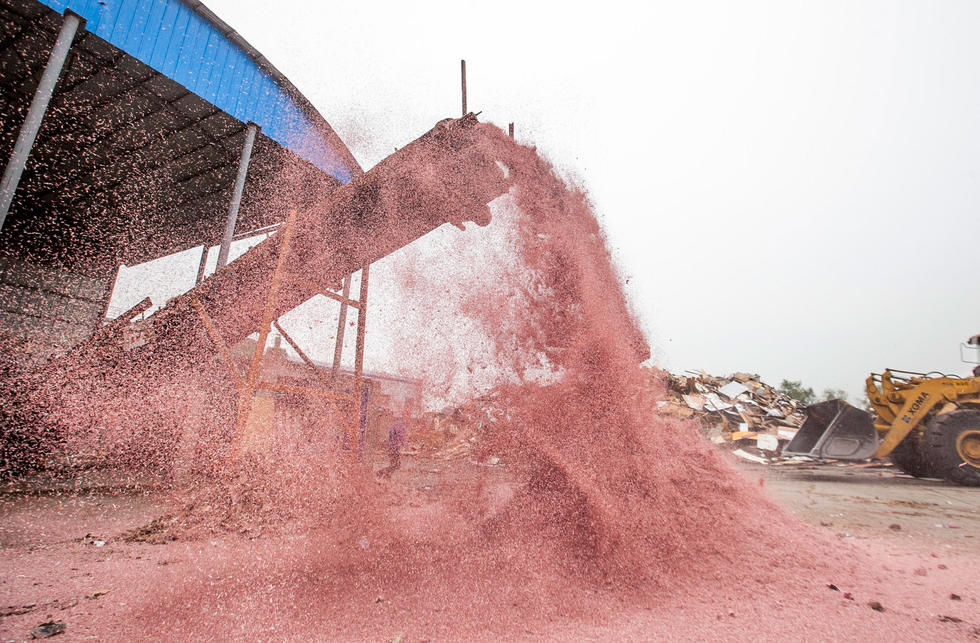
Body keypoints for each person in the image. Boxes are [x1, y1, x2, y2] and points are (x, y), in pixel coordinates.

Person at [377, 412, 408, 479]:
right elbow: (401, 436)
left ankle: (386, 476)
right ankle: (381, 473)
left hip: (392, 447)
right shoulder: (399, 425)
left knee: (395, 464)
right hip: (393, 447)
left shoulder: (396, 424)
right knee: (396, 465)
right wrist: (406, 445)